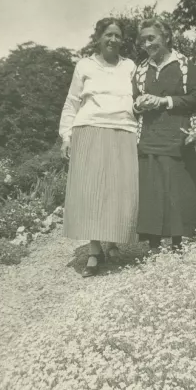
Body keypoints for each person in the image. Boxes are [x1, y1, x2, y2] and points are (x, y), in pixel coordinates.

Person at [59, 18, 138, 277]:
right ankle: (94, 250)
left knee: (117, 190)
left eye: (117, 35)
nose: (113, 40)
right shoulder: (84, 65)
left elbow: (138, 100)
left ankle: (113, 241)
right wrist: (66, 136)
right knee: (93, 191)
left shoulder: (130, 66)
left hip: (124, 130)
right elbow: (72, 102)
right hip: (90, 128)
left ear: (122, 39)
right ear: (98, 37)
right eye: (108, 35)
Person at [133, 18, 196, 253]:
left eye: (151, 38)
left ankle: (178, 242)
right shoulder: (141, 69)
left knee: (177, 186)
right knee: (152, 187)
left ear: (165, 37)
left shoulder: (183, 64)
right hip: (151, 136)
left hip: (178, 132)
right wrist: (140, 103)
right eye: (143, 40)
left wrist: (164, 101)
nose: (147, 44)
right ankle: (154, 244)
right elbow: (132, 103)